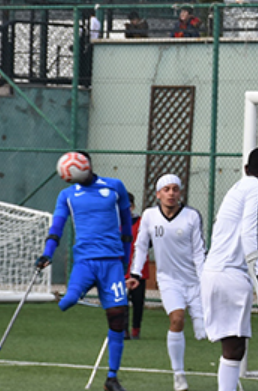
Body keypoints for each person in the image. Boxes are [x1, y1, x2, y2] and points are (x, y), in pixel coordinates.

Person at [35, 151, 132, 391]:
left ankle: (112, 378)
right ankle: (79, 298)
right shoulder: (67, 195)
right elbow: (57, 225)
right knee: (66, 302)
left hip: (112, 263)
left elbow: (127, 225)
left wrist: (126, 263)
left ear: (87, 165)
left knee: (118, 318)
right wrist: (48, 252)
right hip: (85, 262)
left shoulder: (114, 186)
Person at [201, 147, 258, 391]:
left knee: (232, 347)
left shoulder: (238, 188)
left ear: (246, 169)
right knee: (234, 349)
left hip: (212, 272)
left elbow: (252, 243)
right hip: (231, 273)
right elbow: (250, 236)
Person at [127, 174, 205, 391]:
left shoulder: (192, 216)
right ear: (158, 194)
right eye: (167, 189)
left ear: (180, 193)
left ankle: (231, 374)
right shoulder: (150, 216)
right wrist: (134, 274)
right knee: (177, 319)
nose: (171, 193)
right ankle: (178, 375)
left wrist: (205, 280)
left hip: (195, 282)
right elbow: (141, 246)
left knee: (205, 333)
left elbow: (199, 251)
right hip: (169, 280)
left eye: (175, 189)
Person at [124, 192, 149, 340]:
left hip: (139, 270)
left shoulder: (141, 223)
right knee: (121, 301)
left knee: (138, 302)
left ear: (132, 206)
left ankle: (136, 329)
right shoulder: (115, 223)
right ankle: (123, 329)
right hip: (121, 268)